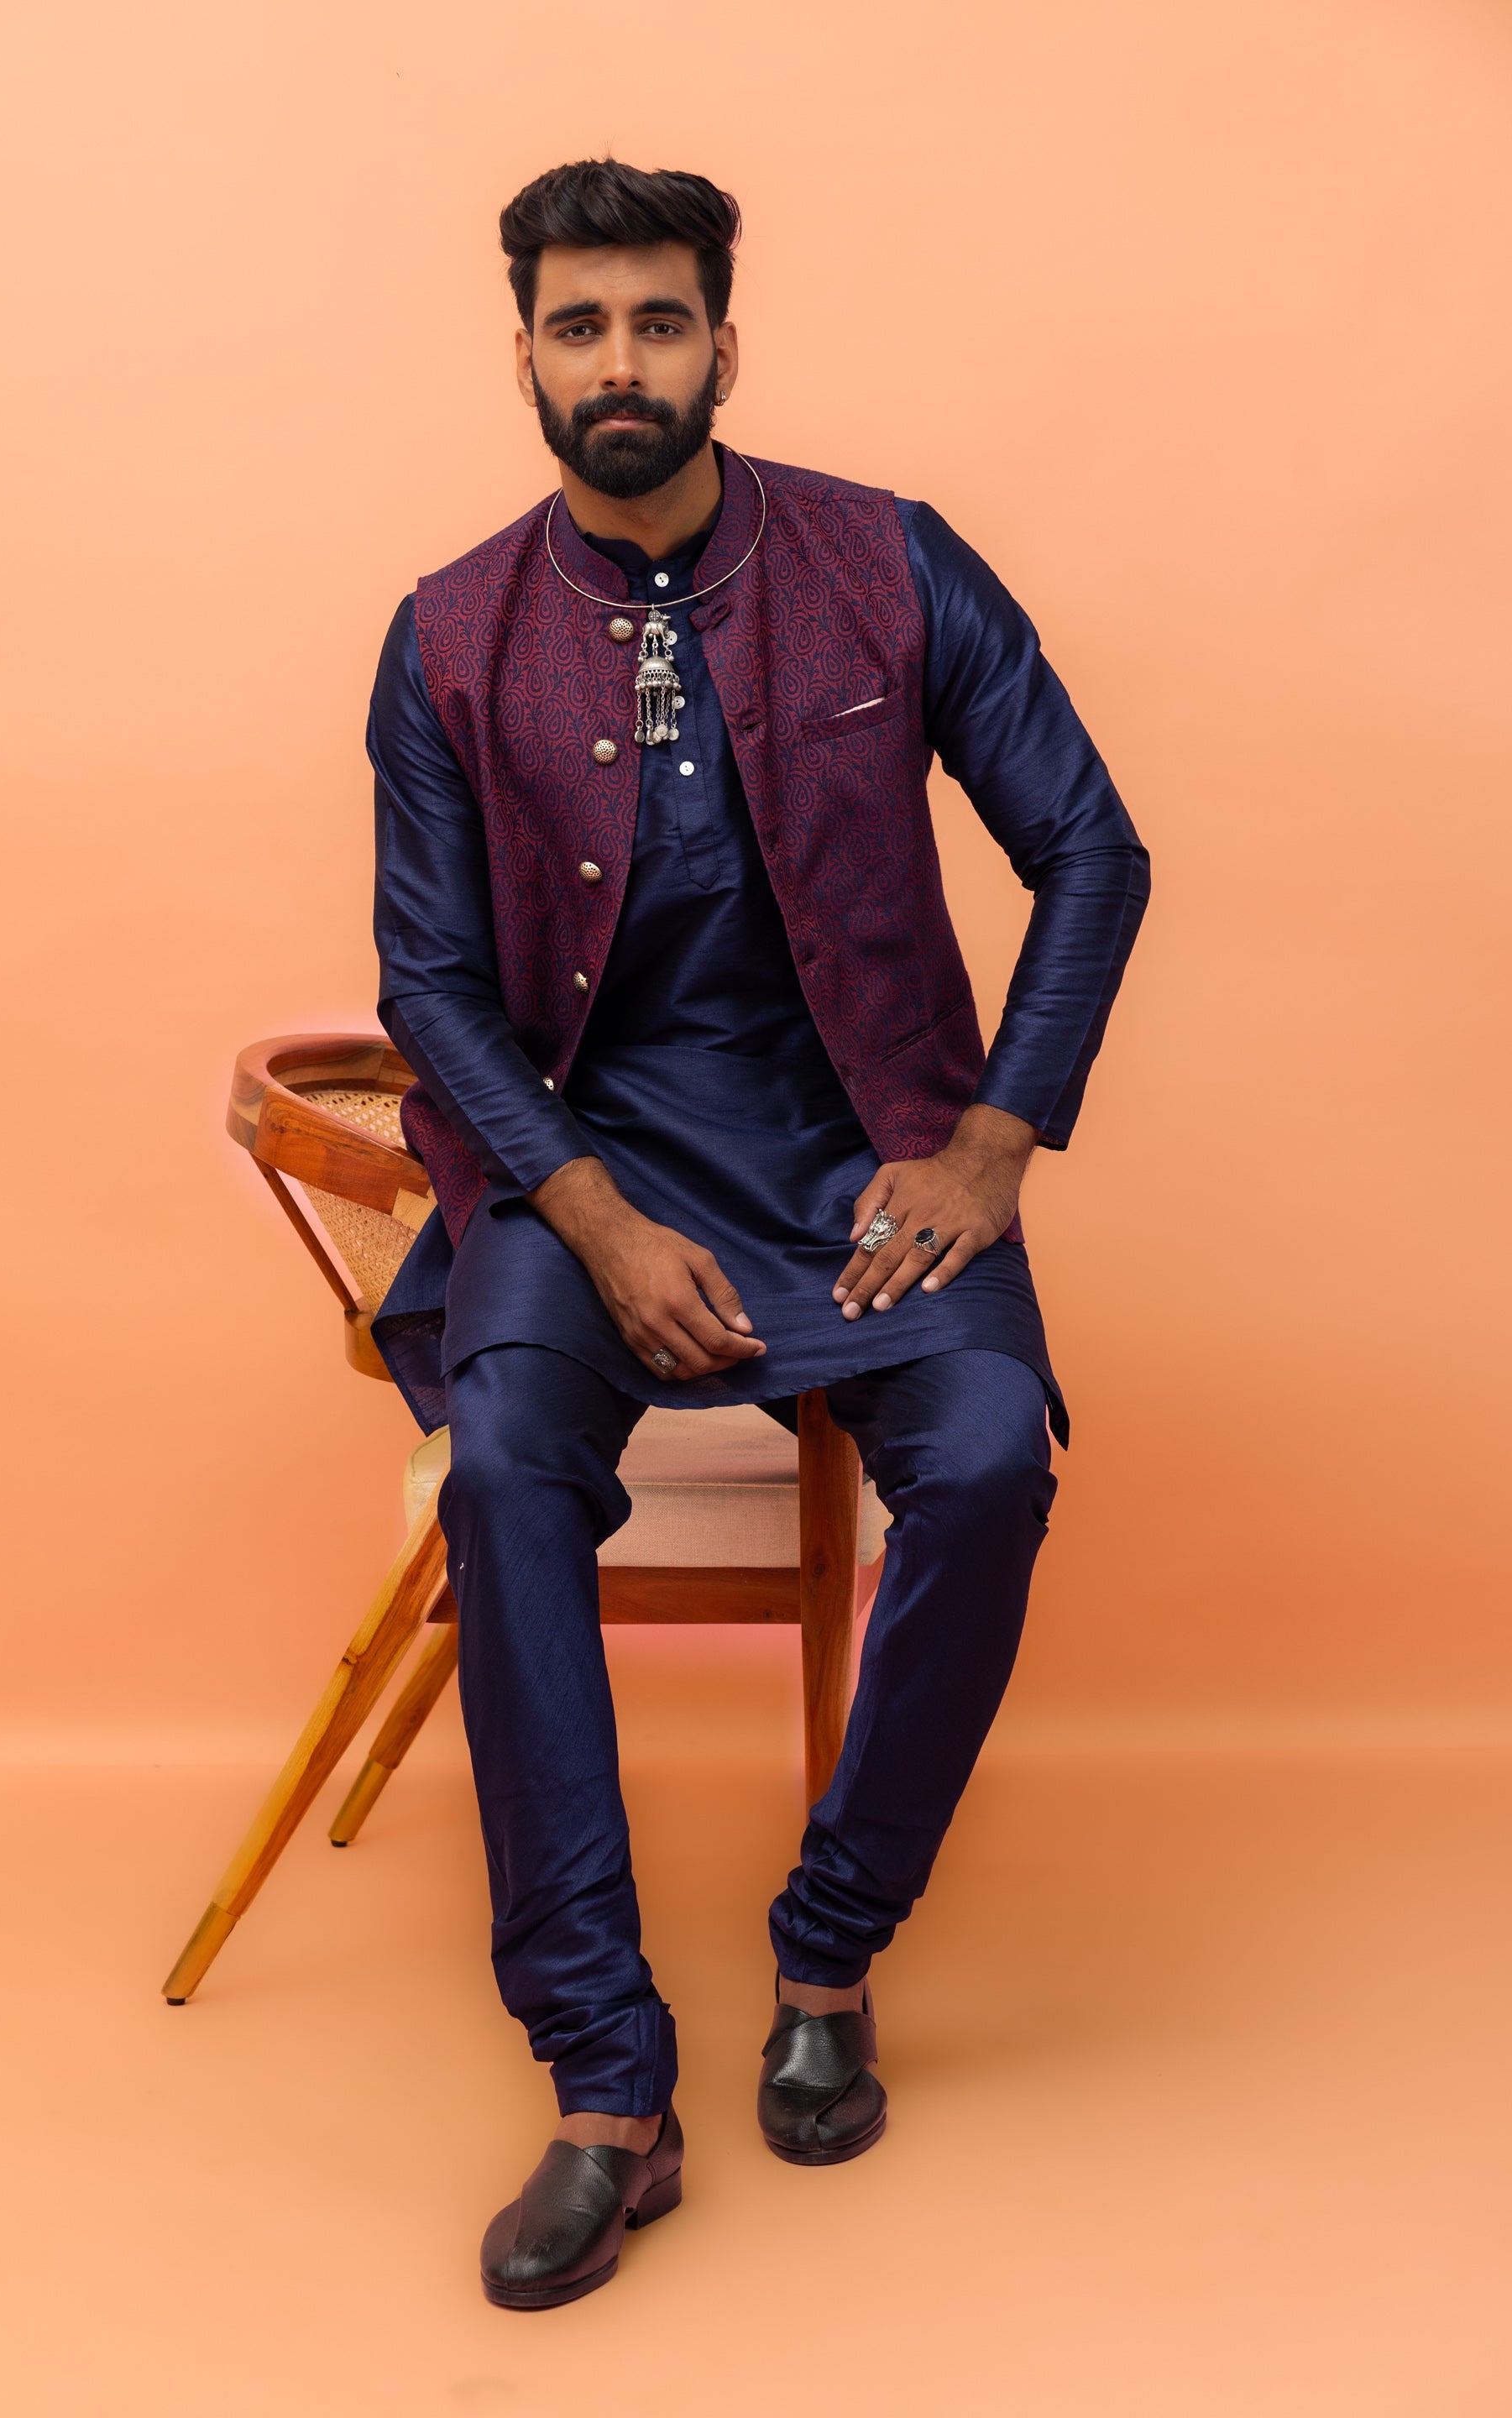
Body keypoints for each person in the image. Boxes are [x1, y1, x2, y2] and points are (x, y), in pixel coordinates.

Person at [368, 158, 1149, 2310]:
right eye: (580, 326)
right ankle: (604, 2081)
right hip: (581, 1164)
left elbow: (1092, 844)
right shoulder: (448, 633)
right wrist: (593, 1217)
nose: (620, 362)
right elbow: (431, 980)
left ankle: (830, 1950)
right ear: (524, 355)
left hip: (863, 1154)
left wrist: (990, 1146)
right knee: (505, 1472)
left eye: (660, 321)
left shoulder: (890, 562)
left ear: (726, 342)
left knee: (985, 1463)